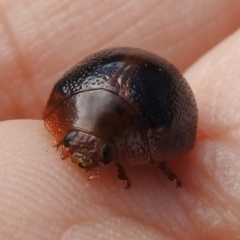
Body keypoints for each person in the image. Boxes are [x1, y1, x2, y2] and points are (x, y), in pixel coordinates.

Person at [0, 1, 240, 239]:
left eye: (106, 154)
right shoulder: (71, 109)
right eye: (71, 139)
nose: (83, 158)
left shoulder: (141, 131)